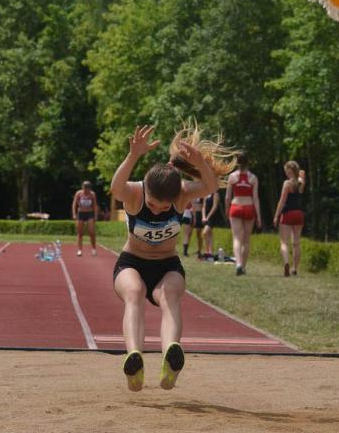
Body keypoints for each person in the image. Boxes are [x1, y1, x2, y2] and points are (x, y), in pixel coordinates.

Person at [110, 124, 234, 392]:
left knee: (170, 296)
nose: (157, 210)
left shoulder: (182, 194)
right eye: (152, 205)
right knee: (134, 292)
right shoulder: (134, 193)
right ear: (146, 191)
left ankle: (171, 356)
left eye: (164, 207)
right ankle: (134, 358)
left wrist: (200, 163)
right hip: (132, 263)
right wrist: (133, 155)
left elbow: (211, 186)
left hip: (167, 265)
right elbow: (116, 187)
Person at [225, 152, 261, 276]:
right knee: (246, 240)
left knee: (236, 238)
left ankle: (238, 264)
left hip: (235, 207)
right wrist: (258, 217)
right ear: (248, 162)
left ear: (237, 162)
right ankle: (243, 267)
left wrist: (226, 210)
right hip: (249, 207)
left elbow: (227, 197)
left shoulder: (232, 177)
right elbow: (255, 198)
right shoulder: (253, 178)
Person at [273, 161, 306, 276]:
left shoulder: (287, 183)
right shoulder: (301, 182)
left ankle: (286, 262)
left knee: (284, 242)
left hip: (287, 213)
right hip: (299, 213)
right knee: (296, 243)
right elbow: (302, 179)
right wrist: (301, 175)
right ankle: (295, 268)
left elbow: (282, 201)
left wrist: (276, 216)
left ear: (288, 171)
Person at [72, 181, 98, 256]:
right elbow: (74, 204)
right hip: (81, 213)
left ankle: (94, 248)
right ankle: (79, 250)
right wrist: (74, 214)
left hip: (89, 213)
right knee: (80, 233)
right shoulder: (78, 193)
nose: (86, 189)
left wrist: (95, 215)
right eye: (85, 187)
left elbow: (95, 205)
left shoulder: (92, 194)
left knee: (91, 231)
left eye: (88, 187)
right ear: (82, 187)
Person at [202, 191, 219, 257]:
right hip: (206, 217)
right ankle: (209, 252)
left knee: (204, 233)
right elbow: (203, 207)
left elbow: (215, 206)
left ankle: (208, 251)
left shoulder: (215, 193)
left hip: (212, 216)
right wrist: (203, 216)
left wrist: (208, 217)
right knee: (209, 234)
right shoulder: (206, 193)